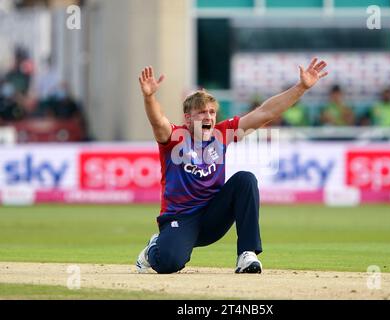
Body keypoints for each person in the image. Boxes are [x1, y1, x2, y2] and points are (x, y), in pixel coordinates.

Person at [135, 58, 328, 274]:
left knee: (245, 180)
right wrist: (149, 97)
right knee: (169, 263)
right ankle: (154, 247)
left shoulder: (222, 134)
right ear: (188, 119)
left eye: (211, 112)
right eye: (201, 113)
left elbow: (265, 113)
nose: (208, 116)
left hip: (213, 217)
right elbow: (158, 121)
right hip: (181, 218)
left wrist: (301, 87)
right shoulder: (174, 138)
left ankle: (247, 254)